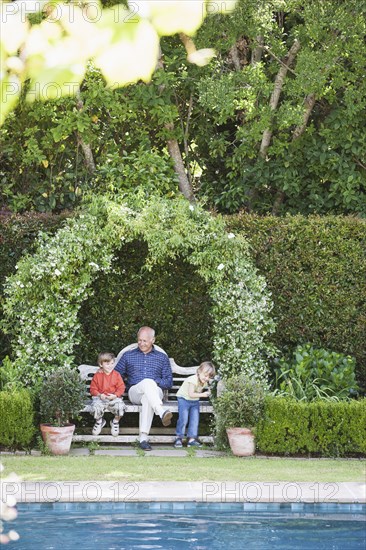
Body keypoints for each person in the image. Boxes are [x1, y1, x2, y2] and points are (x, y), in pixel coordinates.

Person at [115, 326, 173, 451]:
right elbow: (116, 376)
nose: (141, 343)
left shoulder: (162, 358)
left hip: (156, 392)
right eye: (139, 340)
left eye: (144, 341)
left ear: (153, 340)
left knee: (148, 393)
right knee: (147, 382)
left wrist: (153, 381)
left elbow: (168, 382)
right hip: (134, 392)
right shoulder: (128, 355)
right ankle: (161, 411)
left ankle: (143, 438)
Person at [174, 361, 216, 448]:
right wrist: (203, 395)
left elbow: (203, 390)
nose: (207, 378)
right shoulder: (193, 380)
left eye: (209, 376)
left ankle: (191, 439)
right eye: (205, 375)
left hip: (194, 401)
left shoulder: (204, 382)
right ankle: (179, 438)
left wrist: (209, 391)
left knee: (194, 420)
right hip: (184, 399)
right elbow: (191, 394)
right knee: (183, 419)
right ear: (199, 372)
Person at [89, 352, 126, 437]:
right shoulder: (98, 375)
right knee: (95, 406)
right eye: (107, 363)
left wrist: (116, 395)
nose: (110, 366)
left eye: (112, 363)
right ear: (101, 364)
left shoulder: (116, 375)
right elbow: (93, 389)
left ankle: (115, 422)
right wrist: (99, 395)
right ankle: (99, 422)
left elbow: (121, 388)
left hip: (113, 397)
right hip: (100, 398)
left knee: (120, 406)